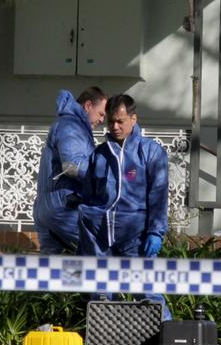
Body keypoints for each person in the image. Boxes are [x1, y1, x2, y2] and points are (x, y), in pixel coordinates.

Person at [77, 94, 172, 320]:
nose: (115, 126)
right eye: (111, 121)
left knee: (148, 294)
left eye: (121, 121)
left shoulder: (151, 152)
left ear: (133, 119)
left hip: (136, 237)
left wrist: (155, 232)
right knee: (101, 297)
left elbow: (158, 196)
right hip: (101, 238)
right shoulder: (98, 155)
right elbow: (90, 196)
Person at [34, 87, 107, 254]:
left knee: (53, 272)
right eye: (101, 113)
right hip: (63, 208)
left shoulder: (68, 124)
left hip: (51, 207)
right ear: (88, 105)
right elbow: (71, 166)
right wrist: (106, 177)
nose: (102, 119)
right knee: (101, 253)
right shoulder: (71, 126)